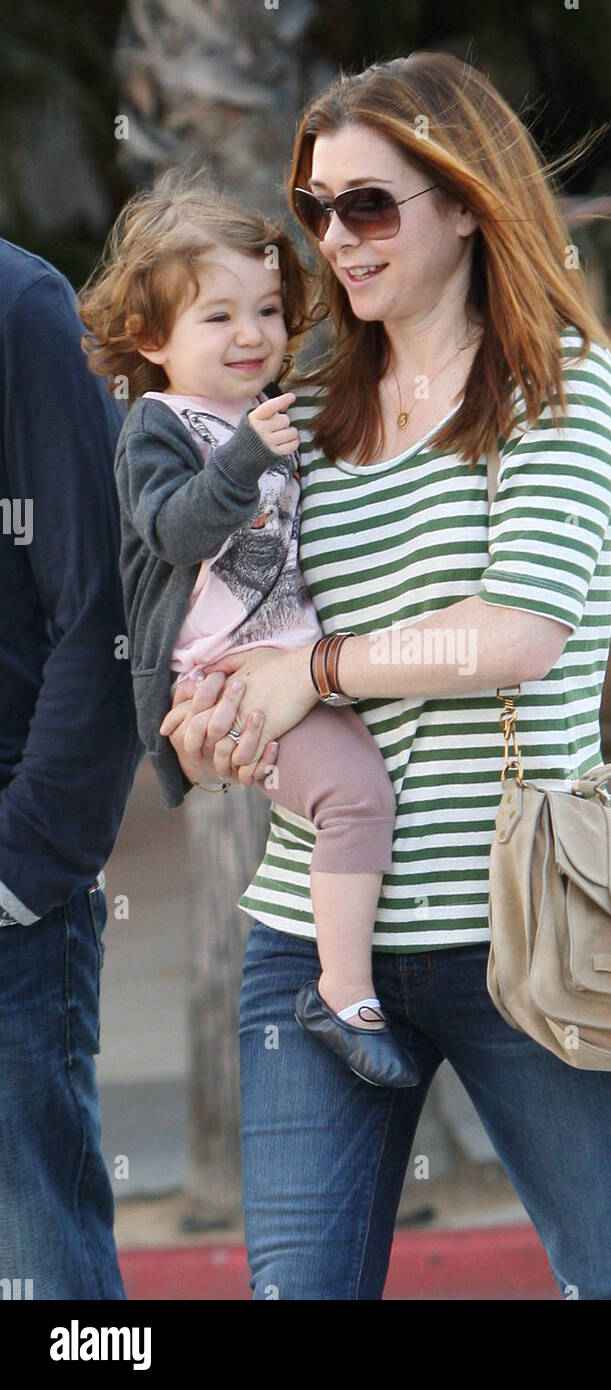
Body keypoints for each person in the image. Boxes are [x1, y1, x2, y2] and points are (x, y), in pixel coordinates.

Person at [162, 52, 611, 1300]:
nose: (336, 237)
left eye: (370, 203)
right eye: (315, 207)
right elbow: (237, 625)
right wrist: (214, 723)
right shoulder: (301, 405)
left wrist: (319, 670)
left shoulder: (549, 379)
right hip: (310, 942)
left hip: (518, 931)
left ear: (463, 199)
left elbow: (517, 633)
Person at [78, 171, 417, 1089]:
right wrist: (240, 455)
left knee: (362, 788)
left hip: (286, 661)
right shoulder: (158, 423)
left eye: (266, 310)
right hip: (218, 677)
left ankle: (352, 977)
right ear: (152, 339)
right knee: (354, 799)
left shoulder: (275, 410)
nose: (251, 335)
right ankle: (343, 993)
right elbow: (172, 529)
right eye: (217, 318)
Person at [0, 238, 142, 1299]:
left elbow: (100, 610)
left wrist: (26, 861)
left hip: (10, 903)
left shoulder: (20, 307)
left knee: (44, 1263)